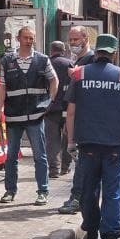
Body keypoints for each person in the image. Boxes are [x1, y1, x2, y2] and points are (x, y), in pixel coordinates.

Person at [67, 34, 120, 239]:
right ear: (114, 52)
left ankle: (90, 235)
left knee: (88, 192)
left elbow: (71, 112)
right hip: (115, 147)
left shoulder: (79, 74)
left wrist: (70, 142)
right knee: (113, 195)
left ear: (96, 51)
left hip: (87, 145)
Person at [0, 26, 58, 205]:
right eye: (26, 38)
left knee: (40, 155)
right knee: (11, 156)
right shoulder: (7, 61)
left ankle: (43, 191)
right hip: (14, 116)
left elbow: (54, 80)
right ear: (18, 38)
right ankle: (10, 191)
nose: (29, 41)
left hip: (35, 116)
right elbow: (2, 87)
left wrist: (49, 102)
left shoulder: (42, 60)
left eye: (32, 38)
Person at [56, 25, 97, 214]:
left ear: (85, 38)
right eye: (70, 40)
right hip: (74, 118)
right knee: (79, 161)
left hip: (86, 120)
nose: (72, 44)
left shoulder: (91, 60)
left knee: (82, 162)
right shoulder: (76, 60)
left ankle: (78, 197)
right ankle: (81, 197)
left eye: (76, 40)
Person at [45, 40, 75, 178]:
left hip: (50, 108)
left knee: (52, 140)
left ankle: (54, 170)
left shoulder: (46, 63)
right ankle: (65, 167)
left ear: (51, 50)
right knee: (68, 138)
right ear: (63, 50)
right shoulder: (69, 64)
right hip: (67, 107)